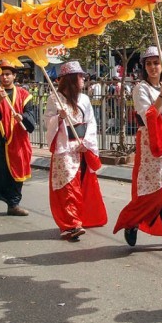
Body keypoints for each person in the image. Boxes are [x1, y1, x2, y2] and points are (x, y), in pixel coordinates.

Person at [113, 46, 162, 253]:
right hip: (152, 142)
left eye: (156, 63)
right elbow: (148, 115)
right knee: (156, 189)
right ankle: (132, 220)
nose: (153, 67)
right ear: (144, 67)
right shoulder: (141, 88)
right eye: (149, 64)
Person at [45, 60, 106, 241]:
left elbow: (91, 122)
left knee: (81, 184)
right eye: (80, 76)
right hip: (65, 147)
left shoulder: (85, 99)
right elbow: (48, 122)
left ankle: (79, 218)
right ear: (71, 79)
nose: (83, 79)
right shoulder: (55, 98)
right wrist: (59, 118)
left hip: (81, 146)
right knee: (67, 187)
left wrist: (86, 142)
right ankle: (70, 224)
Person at [0, 60, 36, 216]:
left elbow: (31, 117)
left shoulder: (24, 95)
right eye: (2, 74)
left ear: (14, 76)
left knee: (17, 170)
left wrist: (23, 117)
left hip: (18, 137)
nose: (4, 77)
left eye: (8, 74)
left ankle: (13, 204)